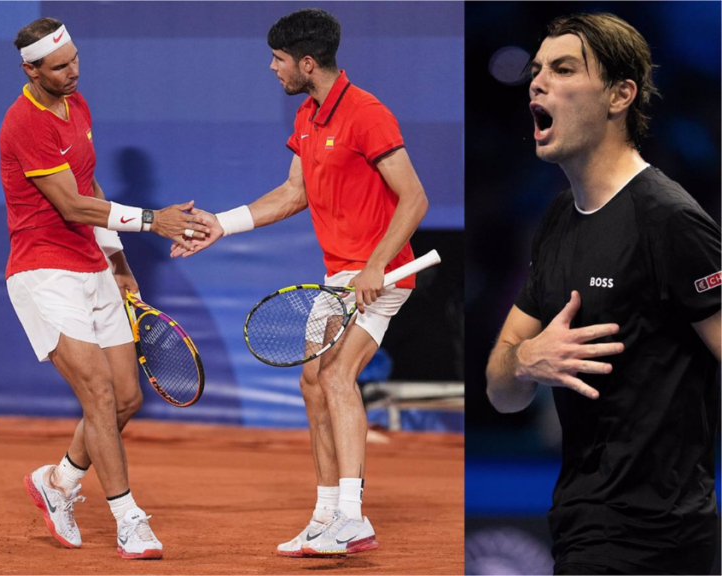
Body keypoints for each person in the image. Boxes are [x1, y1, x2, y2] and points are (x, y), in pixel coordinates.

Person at [172, 8, 429, 557]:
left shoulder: (367, 114)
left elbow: (415, 197)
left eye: (279, 59)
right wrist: (221, 224)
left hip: (381, 275)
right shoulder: (309, 116)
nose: (272, 68)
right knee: (312, 384)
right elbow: (293, 194)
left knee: (335, 375)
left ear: (306, 63)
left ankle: (355, 519)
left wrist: (377, 264)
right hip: (338, 277)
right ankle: (326, 513)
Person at [484, 13, 721, 575]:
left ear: (620, 95)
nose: (537, 82)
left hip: (659, 541)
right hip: (579, 525)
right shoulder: (559, 217)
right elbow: (500, 389)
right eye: (537, 70)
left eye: (564, 69)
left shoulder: (669, 219)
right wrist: (526, 359)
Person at [1, 18, 209, 560]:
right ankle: (128, 519)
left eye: (74, 60)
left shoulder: (78, 104)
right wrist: (152, 222)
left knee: (125, 398)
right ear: (30, 70)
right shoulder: (25, 122)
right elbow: (69, 205)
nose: (73, 72)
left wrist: (116, 259)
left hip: (91, 265)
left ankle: (59, 484)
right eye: (59, 67)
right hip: (42, 272)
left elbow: (88, 184)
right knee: (96, 394)